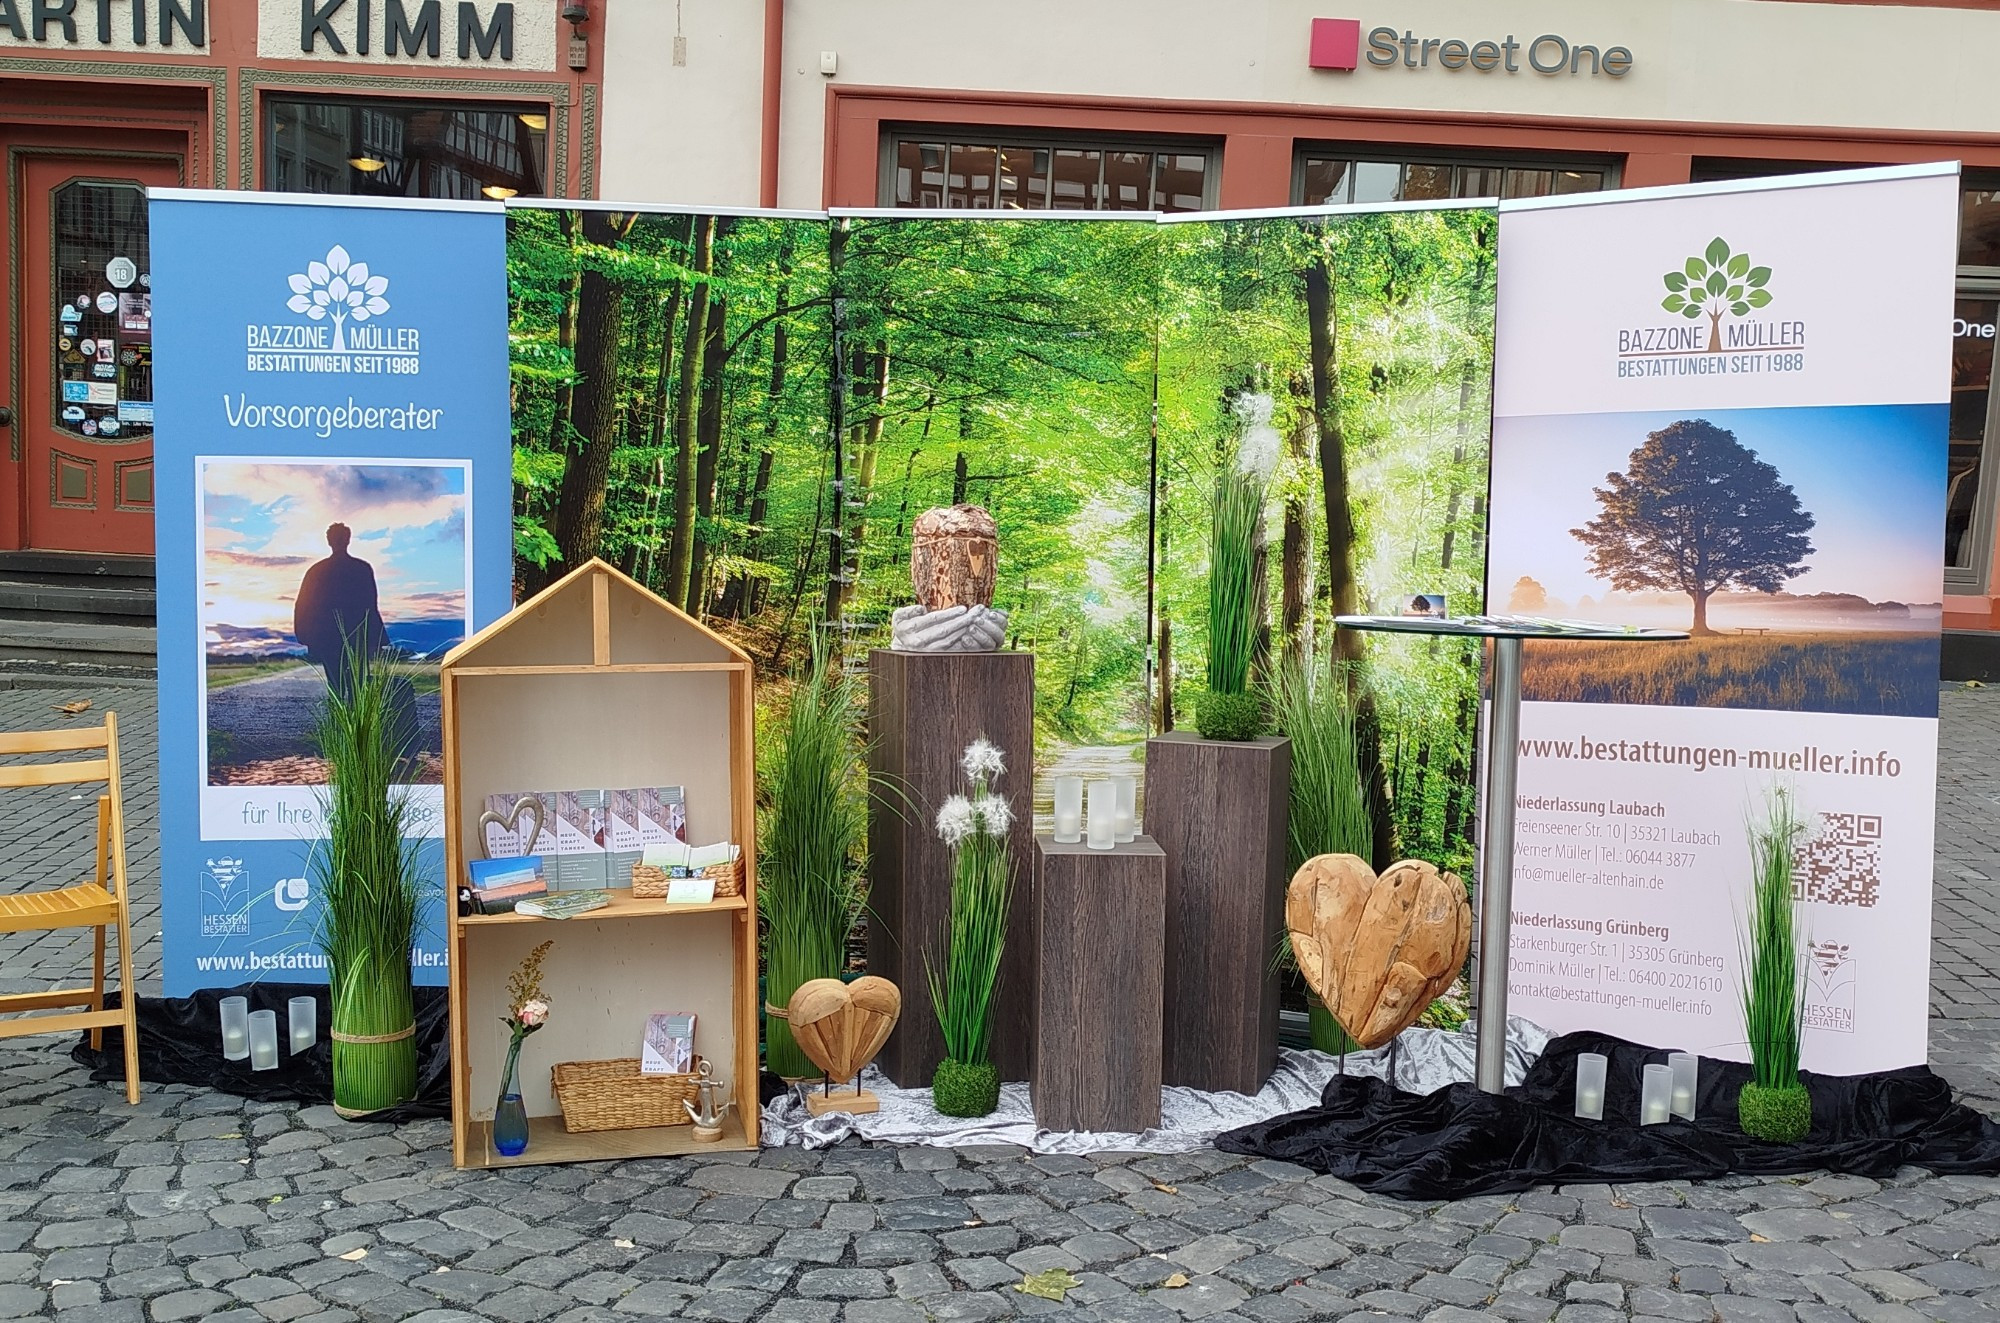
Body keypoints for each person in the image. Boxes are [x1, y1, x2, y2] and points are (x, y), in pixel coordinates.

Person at [293, 523, 389, 700]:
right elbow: (371, 605)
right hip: (350, 636)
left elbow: (303, 605)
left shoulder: (318, 570)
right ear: (347, 540)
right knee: (355, 686)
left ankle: (341, 724)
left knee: (339, 686)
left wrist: (305, 635)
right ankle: (351, 725)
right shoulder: (361, 568)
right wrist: (376, 638)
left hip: (333, 637)